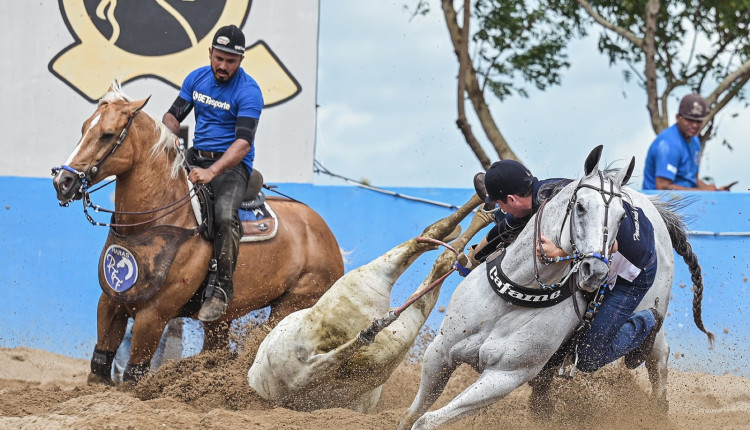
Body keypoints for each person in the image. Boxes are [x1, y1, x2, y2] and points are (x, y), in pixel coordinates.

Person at [467, 159, 662, 372]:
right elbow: (503, 229)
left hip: (633, 273)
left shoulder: (563, 201)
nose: (502, 211)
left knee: (588, 357)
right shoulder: (540, 193)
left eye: (501, 205)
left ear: (512, 200)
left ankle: (647, 322)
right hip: (603, 252)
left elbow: (610, 247)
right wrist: (473, 257)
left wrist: (559, 253)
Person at [163, 24, 264, 322]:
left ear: (241, 61)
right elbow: (172, 115)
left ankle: (221, 288)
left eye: (230, 61)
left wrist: (212, 172)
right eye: (219, 58)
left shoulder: (249, 92)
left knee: (223, 215)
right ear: (210, 53)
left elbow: (243, 143)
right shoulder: (196, 79)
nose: (223, 65)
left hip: (232, 168)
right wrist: (165, 133)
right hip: (195, 156)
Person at [642, 94, 732, 191]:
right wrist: (704, 191)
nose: (694, 125)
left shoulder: (695, 140)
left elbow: (693, 179)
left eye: (698, 121)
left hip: (683, 201)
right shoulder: (668, 145)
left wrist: (715, 191)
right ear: (678, 117)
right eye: (690, 120)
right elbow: (663, 187)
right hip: (657, 203)